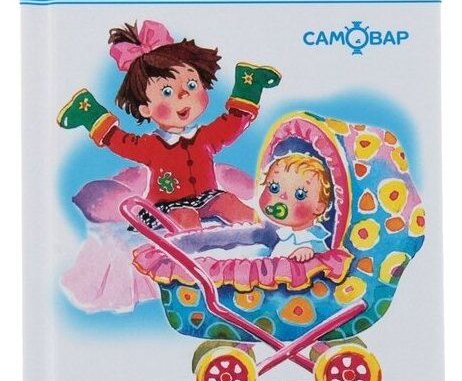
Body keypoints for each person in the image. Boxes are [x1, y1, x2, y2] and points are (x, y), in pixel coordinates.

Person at [57, 19, 281, 231]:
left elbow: (231, 125)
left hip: (207, 198)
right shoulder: (151, 146)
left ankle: (262, 231)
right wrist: (91, 116)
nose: (183, 95)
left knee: (228, 201)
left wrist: (248, 87)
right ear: (146, 109)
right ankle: (193, 248)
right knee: (185, 216)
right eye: (167, 92)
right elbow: (120, 142)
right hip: (167, 207)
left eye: (191, 85)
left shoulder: (205, 137)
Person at [259, 154, 333, 262]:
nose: (283, 196)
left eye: (300, 195)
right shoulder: (286, 237)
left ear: (319, 207)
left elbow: (326, 260)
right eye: (274, 187)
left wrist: (309, 253)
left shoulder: (313, 241)